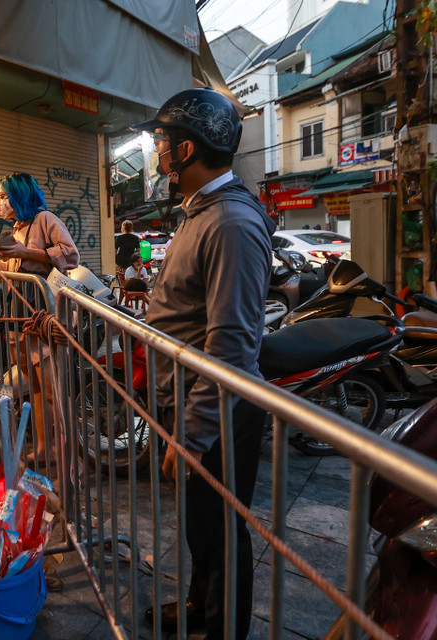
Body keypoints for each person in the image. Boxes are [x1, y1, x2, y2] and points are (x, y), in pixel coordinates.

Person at [133, 87, 274, 640]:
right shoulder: (202, 212)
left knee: (221, 533)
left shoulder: (231, 222)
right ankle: (199, 606)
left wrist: (192, 435)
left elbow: (232, 347)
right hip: (192, 401)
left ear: (187, 150)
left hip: (218, 414)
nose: (158, 152)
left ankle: (223, 629)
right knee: (201, 527)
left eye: (162, 142)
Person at [0, 171, 79, 464]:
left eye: (2, 196)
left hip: (41, 315)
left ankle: (72, 457)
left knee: (52, 390)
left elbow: (71, 254)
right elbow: (13, 269)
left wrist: (26, 251)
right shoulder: (17, 228)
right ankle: (44, 449)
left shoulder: (45, 219)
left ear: (19, 194)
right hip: (18, 315)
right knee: (37, 389)